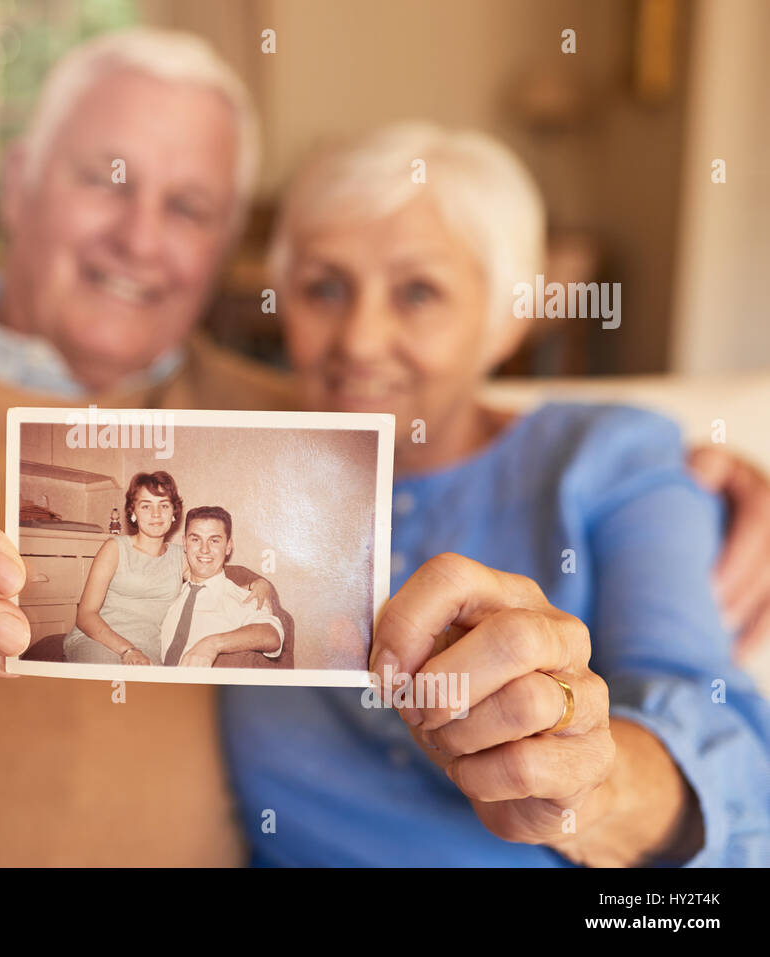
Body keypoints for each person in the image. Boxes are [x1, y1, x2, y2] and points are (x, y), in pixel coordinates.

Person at [0, 28, 770, 867]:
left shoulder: (283, 423)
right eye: (104, 178)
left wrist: (704, 473)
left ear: (219, 252)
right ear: (17, 184)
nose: (140, 235)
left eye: (189, 205)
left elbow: (452, 427)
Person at [219, 123, 770, 866]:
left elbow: (732, 757)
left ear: (508, 315)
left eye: (418, 291)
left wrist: (595, 788)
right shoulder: (227, 465)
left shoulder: (612, 458)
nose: (359, 338)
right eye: (324, 287)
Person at [64, 472, 274, 665]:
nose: (156, 514)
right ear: (133, 511)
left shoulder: (180, 556)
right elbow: (85, 615)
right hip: (99, 641)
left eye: (163, 505)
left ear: (174, 512)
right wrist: (127, 650)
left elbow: (211, 582)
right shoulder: (115, 548)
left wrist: (260, 584)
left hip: (149, 651)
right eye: (146, 506)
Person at [158, 507, 285, 667]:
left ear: (228, 547)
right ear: (184, 543)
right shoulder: (169, 593)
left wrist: (213, 644)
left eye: (214, 540)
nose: (204, 549)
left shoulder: (244, 598)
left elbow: (272, 636)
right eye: (195, 539)